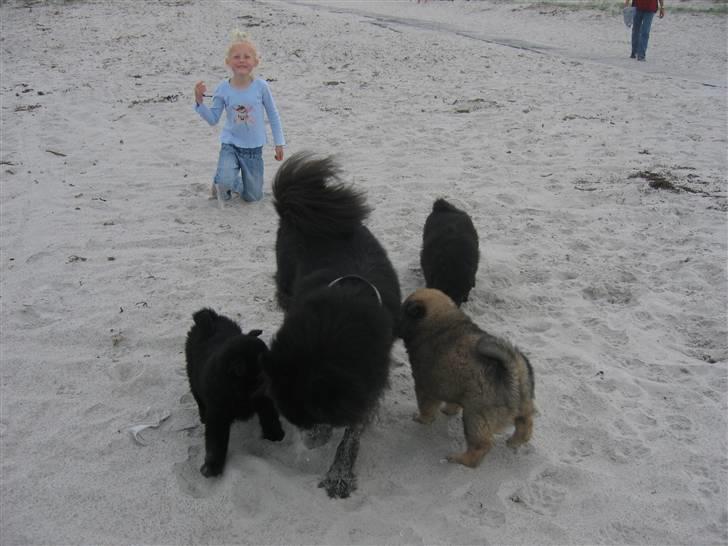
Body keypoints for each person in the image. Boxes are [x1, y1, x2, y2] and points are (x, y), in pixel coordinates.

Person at [194, 30, 285, 203]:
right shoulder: (223, 88)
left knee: (252, 197)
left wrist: (279, 143)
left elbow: (273, 115)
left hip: (254, 150)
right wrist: (199, 103)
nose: (242, 60)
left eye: (247, 57)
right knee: (224, 183)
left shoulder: (261, 87)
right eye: (236, 57)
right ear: (228, 62)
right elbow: (213, 118)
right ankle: (221, 181)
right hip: (231, 144)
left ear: (255, 62)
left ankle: (228, 180)